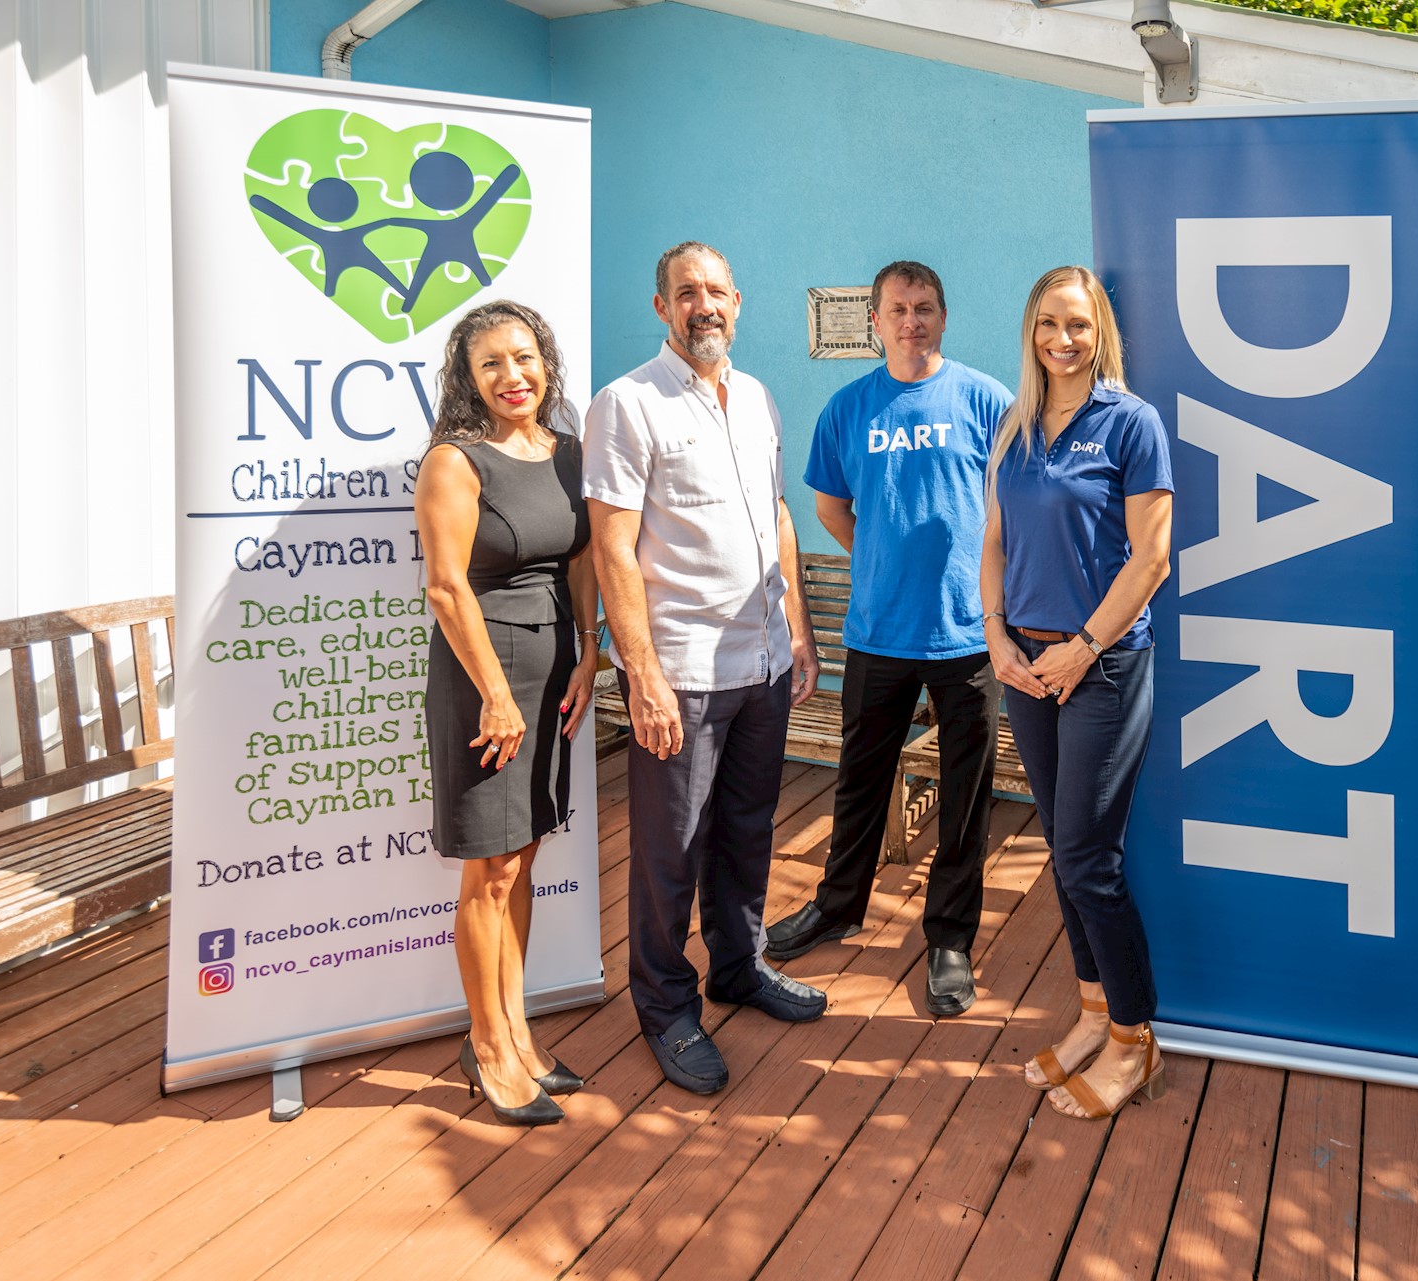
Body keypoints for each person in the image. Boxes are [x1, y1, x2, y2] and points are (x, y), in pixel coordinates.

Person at [585, 241, 826, 1095]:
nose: (705, 306)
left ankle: (738, 967)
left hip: (760, 662)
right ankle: (665, 1006)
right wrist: (639, 670)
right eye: (687, 293)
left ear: (738, 300)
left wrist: (797, 628)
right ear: (662, 307)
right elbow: (612, 547)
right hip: (680, 673)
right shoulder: (626, 404)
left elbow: (778, 518)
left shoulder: (756, 397)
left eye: (717, 292)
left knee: (746, 832)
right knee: (670, 850)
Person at [764, 261, 1010, 1018]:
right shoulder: (848, 409)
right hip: (877, 631)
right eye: (898, 309)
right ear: (875, 320)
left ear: (943, 316)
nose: (912, 321)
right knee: (860, 782)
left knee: (966, 798)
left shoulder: (986, 399)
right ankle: (839, 904)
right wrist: (880, 545)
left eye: (925, 307)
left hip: (968, 634)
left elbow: (1014, 503)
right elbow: (830, 505)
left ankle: (949, 938)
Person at [981, 266, 1173, 1120]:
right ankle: (1094, 1013)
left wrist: (1085, 647)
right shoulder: (1016, 425)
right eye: (1050, 323)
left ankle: (1135, 1038)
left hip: (1103, 667)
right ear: (1031, 329)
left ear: (1102, 334)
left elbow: (1152, 558)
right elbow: (994, 539)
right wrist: (995, 634)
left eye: (1080, 325)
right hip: (1026, 668)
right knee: (1063, 850)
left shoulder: (1132, 423)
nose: (1064, 339)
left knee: (1091, 861)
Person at [415, 299, 597, 1128]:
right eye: (491, 363)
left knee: (521, 859)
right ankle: (487, 1045)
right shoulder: (455, 461)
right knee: (488, 870)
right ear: (469, 378)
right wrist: (493, 692)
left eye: (523, 358)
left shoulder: (566, 453)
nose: (512, 375)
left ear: (546, 363)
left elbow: (585, 553)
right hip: (485, 677)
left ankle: (518, 1028)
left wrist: (591, 650)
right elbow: (448, 587)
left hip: (553, 667)